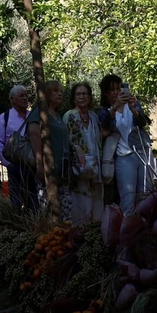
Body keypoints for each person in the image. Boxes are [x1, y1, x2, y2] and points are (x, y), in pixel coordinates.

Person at [101, 75, 152, 212]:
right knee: (128, 198)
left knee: (145, 196)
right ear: (106, 93)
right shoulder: (105, 111)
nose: (116, 92)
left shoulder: (132, 105)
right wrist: (115, 106)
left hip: (142, 154)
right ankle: (127, 223)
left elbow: (142, 122)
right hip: (123, 157)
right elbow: (104, 124)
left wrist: (133, 108)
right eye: (112, 90)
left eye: (118, 88)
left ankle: (143, 223)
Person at [63, 81, 105, 223]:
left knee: (97, 209)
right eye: (78, 94)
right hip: (78, 170)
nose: (82, 97)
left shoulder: (94, 116)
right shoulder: (69, 116)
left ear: (90, 96)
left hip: (95, 169)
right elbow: (66, 141)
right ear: (73, 98)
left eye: (84, 94)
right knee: (81, 209)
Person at [24, 81, 67, 214]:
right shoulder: (40, 112)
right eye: (55, 91)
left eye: (61, 91)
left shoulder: (58, 115)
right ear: (47, 94)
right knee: (48, 210)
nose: (60, 94)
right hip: (47, 170)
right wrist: (40, 163)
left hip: (61, 172)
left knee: (64, 212)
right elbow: (34, 133)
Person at [0, 85, 34, 210]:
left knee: (33, 201)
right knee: (16, 201)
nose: (25, 98)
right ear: (12, 99)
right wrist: (8, 164)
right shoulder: (4, 118)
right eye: (21, 96)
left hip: (32, 166)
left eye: (26, 95)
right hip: (14, 166)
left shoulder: (33, 117)